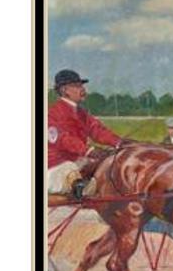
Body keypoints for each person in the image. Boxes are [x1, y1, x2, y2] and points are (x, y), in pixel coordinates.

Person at [47, 69, 123, 198]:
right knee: (70, 169)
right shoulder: (52, 113)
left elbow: (97, 130)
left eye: (81, 85)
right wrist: (89, 151)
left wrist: (119, 142)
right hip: (55, 165)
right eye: (77, 86)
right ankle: (82, 194)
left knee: (106, 163)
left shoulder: (82, 113)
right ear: (65, 90)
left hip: (78, 160)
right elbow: (63, 139)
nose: (83, 89)